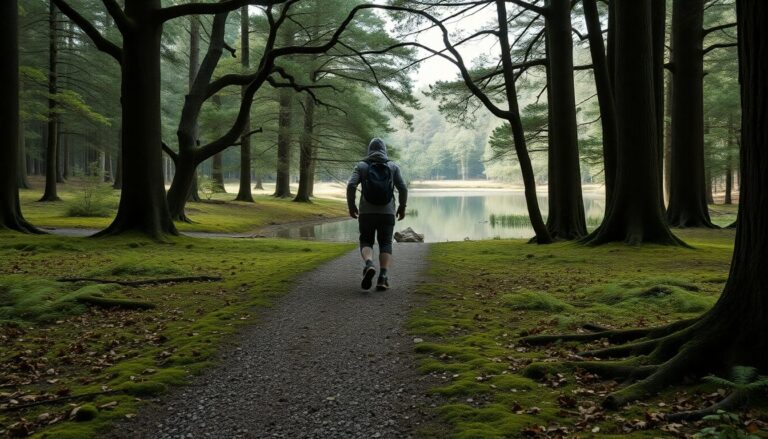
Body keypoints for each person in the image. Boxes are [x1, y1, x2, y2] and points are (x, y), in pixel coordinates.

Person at [346, 138, 407, 290]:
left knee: (366, 240)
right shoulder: (392, 166)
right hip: (387, 212)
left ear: (369, 150)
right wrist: (402, 207)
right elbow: (403, 188)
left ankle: (369, 264)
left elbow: (351, 185)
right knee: (385, 243)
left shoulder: (362, 166)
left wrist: (351, 205)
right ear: (384, 150)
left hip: (366, 212)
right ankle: (383, 277)